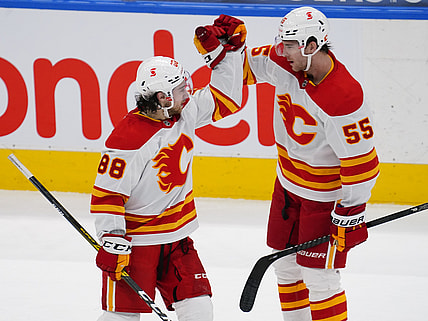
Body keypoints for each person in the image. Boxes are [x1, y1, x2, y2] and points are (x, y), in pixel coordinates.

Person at [216, 7, 379, 320]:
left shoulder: (344, 96)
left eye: (289, 45)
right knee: (286, 266)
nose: (281, 51)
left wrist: (350, 211)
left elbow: (362, 164)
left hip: (324, 199)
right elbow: (244, 68)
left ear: (311, 45)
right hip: (287, 186)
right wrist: (229, 49)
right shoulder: (285, 62)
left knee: (319, 277)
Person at [90, 16, 246, 321]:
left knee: (200, 310)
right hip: (136, 246)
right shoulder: (127, 139)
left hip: (177, 240)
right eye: (179, 89)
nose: (188, 93)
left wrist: (228, 54)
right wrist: (112, 239)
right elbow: (107, 195)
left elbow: (229, 99)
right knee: (121, 319)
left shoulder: (183, 112)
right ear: (162, 97)